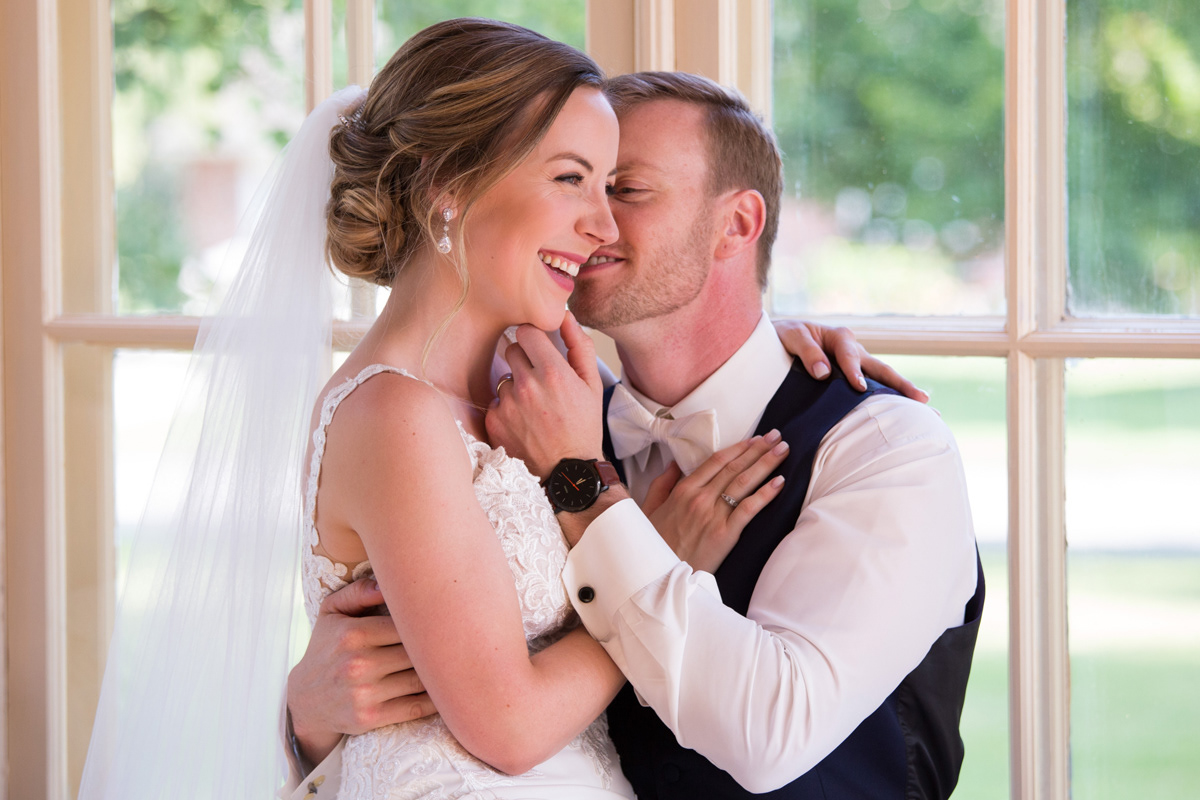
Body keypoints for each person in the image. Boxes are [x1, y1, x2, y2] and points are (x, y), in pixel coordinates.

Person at [289, 70, 983, 800]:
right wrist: (309, 714)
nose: (595, 223)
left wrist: (583, 487)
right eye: (573, 182)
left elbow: (773, 731)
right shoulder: (529, 413)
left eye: (624, 188)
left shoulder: (886, 449)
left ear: (737, 226)